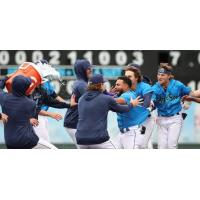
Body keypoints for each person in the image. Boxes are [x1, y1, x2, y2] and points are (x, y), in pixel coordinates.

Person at [75, 74, 141, 149]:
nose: (105, 86)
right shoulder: (106, 99)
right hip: (99, 139)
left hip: (81, 139)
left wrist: (107, 94)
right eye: (104, 84)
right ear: (100, 85)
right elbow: (122, 109)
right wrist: (132, 104)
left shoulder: (81, 99)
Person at [0, 75, 57, 149]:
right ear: (26, 89)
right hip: (28, 141)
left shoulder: (4, 98)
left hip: (10, 142)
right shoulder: (30, 103)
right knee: (54, 149)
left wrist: (6, 78)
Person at [152, 63, 193, 149]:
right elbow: (152, 99)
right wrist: (150, 103)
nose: (159, 77)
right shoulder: (155, 87)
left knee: (172, 145)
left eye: (162, 75)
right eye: (158, 74)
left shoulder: (177, 85)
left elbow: (190, 93)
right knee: (162, 147)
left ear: (169, 76)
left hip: (175, 118)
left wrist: (188, 102)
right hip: (161, 119)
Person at [124, 64, 155, 149]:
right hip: (134, 118)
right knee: (135, 143)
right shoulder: (125, 85)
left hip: (146, 119)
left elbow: (148, 104)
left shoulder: (144, 84)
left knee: (142, 144)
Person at [114, 76, 149, 149]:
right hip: (124, 133)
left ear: (126, 85)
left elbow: (115, 101)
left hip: (131, 134)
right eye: (115, 85)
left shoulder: (128, 95)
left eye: (118, 85)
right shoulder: (127, 94)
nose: (115, 87)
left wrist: (103, 95)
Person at [64, 59, 92, 148]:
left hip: (75, 123)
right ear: (82, 70)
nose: (90, 70)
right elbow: (93, 101)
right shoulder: (81, 85)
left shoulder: (82, 83)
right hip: (74, 123)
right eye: (88, 68)